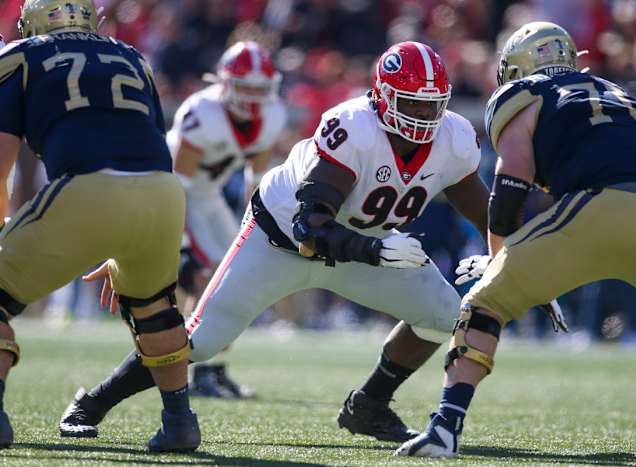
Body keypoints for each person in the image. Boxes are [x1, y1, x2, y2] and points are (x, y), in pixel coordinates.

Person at [59, 40, 491, 444]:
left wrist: (507, 260)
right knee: (201, 342)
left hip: (366, 242)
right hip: (279, 240)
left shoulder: (452, 138)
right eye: (411, 101)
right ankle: (92, 402)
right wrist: (374, 250)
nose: (422, 114)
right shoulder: (354, 128)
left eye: (432, 104)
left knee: (442, 315)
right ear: (381, 96)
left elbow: (485, 213)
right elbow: (311, 227)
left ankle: (370, 405)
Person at [397, 21, 636, 458]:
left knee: (483, 305)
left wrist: (496, 259)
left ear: (517, 67)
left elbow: (510, 182)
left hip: (605, 204)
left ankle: (445, 427)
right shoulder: (619, 92)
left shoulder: (525, 94)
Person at [0, 0, 200, 452]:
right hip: (162, 195)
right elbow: (152, 143)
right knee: (155, 309)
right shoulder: (133, 56)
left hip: (87, 188)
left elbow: (2, 162)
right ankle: (179, 420)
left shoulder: (22, 55)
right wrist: (124, 241)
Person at [168, 40, 285, 399]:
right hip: (171, 194)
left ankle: (215, 370)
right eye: (244, 87)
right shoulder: (203, 113)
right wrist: (183, 246)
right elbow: (177, 187)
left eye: (259, 89)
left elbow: (255, 183)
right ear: (224, 82)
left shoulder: (273, 116)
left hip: (209, 197)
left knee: (233, 279)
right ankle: (194, 370)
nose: (251, 97)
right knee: (206, 278)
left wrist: (256, 230)